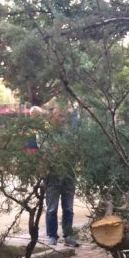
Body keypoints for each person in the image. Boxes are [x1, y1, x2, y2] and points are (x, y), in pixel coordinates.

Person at [43, 106, 79, 247]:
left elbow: (76, 153)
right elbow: (37, 155)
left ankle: (69, 235)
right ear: (51, 119)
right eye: (58, 116)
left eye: (63, 117)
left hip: (68, 177)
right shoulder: (45, 135)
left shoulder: (70, 135)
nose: (62, 119)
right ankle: (52, 236)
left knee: (68, 208)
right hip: (52, 177)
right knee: (52, 209)